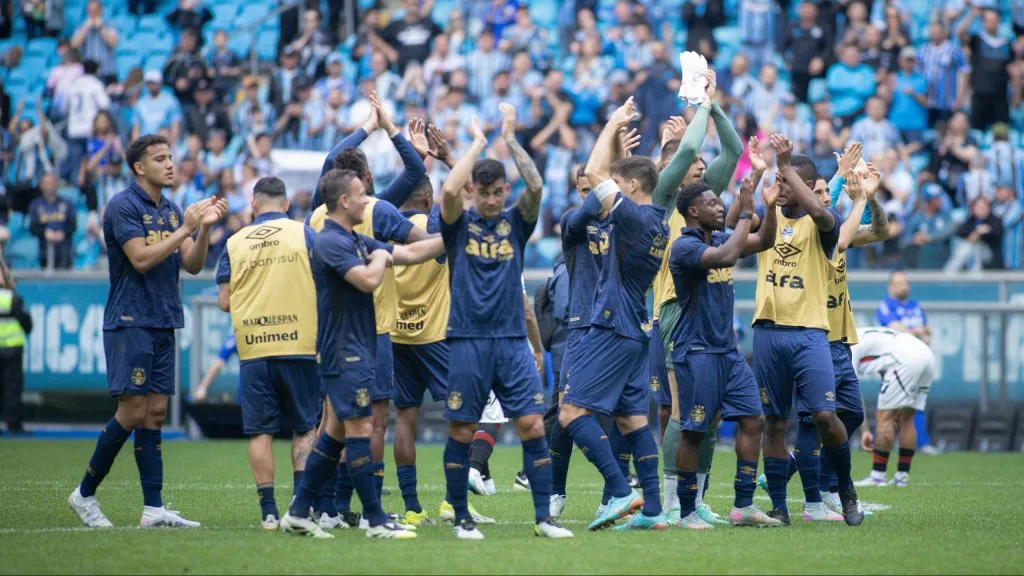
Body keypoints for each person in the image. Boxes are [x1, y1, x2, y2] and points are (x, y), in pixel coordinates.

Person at [68, 134, 227, 529]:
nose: (170, 164)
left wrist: (202, 229)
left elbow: (190, 263)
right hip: (130, 320)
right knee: (132, 411)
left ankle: (153, 509)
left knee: (154, 413)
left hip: (162, 318)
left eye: (171, 157)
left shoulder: (171, 210)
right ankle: (84, 494)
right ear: (140, 168)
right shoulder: (123, 205)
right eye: (160, 159)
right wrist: (184, 227)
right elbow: (139, 259)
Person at [278, 168, 445, 540]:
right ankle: (374, 517)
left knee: (335, 432)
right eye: (361, 195)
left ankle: (300, 511)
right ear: (343, 201)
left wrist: (450, 236)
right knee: (360, 429)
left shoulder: (355, 239)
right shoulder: (330, 242)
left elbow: (413, 251)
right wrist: (382, 258)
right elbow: (369, 279)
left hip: (356, 348)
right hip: (344, 351)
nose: (367, 200)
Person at [438, 104, 572, 540]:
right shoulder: (458, 226)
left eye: (500, 192)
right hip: (469, 341)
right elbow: (447, 192)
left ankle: (543, 519)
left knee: (532, 425)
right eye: (486, 192)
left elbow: (534, 185)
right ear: (475, 191)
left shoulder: (516, 223)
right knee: (462, 428)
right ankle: (461, 517)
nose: (494, 199)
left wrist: (511, 138)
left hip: (513, 341)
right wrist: (477, 144)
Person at [307, 95, 428, 530]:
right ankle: (358, 508)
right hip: (371, 329)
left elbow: (328, 161)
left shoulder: (322, 213)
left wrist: (368, 127)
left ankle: (324, 506)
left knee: (336, 420)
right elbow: (416, 172)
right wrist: (389, 129)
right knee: (369, 422)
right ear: (353, 189)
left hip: (331, 329)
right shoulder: (375, 207)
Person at [559, 97, 668, 532]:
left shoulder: (634, 217)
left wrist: (611, 123)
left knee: (570, 412)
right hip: (634, 327)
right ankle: (655, 511)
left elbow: (594, 174)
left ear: (631, 189)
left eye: (619, 186)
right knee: (633, 421)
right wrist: (624, 154)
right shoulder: (654, 220)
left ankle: (620, 491)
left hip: (609, 323)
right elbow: (613, 180)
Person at [751, 134, 862, 526]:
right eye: (779, 181)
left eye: (785, 183)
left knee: (825, 415)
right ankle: (779, 506)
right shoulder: (768, 214)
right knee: (776, 423)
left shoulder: (823, 224)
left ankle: (845, 487)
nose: (777, 188)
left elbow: (818, 209)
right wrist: (768, 171)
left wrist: (785, 167)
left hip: (810, 332)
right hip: (768, 331)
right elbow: (738, 221)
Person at [670, 171, 781, 529]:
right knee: (694, 431)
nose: (720, 207)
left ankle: (743, 505)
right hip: (697, 351)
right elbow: (728, 256)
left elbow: (765, 240)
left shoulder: (719, 236)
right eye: (712, 203)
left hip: (728, 353)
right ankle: (687, 510)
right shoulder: (685, 247)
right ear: (692, 212)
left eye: (721, 202)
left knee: (754, 419)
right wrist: (746, 209)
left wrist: (769, 204)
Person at [656, 71, 743, 526]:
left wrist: (715, 103)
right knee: (676, 409)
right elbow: (686, 150)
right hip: (673, 310)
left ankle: (695, 497)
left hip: (706, 310)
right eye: (692, 166)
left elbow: (734, 151)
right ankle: (672, 500)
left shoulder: (704, 200)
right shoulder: (664, 196)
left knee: (703, 414)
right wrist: (701, 103)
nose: (700, 167)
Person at [214, 176, 321, 530]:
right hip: (300, 344)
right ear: (287, 204)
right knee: (306, 428)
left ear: (254, 205)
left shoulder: (234, 242)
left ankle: (269, 512)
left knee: (260, 432)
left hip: (255, 349)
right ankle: (300, 506)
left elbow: (224, 301)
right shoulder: (304, 233)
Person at [795, 154, 890, 520]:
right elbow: (824, 213)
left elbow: (880, 232)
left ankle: (816, 480)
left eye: (826, 192)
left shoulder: (839, 230)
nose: (824, 198)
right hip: (813, 335)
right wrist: (843, 185)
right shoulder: (808, 230)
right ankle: (816, 498)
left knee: (849, 414)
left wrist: (871, 198)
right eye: (817, 192)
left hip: (838, 338)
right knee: (813, 420)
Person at [853, 326, 937, 487]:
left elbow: (853, 391)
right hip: (925, 354)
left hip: (905, 359)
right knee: (907, 418)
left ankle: (878, 476)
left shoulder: (844, 346)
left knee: (885, 417)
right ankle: (902, 476)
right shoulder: (860, 333)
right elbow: (883, 363)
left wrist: (864, 430)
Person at [874, 271, 939, 454]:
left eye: (906, 282)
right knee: (890, 405)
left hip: (918, 359)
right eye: (900, 283)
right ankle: (882, 442)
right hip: (896, 361)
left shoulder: (916, 306)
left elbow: (928, 333)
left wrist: (916, 332)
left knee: (916, 402)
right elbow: (896, 329)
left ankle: (920, 442)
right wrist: (917, 331)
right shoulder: (886, 306)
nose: (905, 286)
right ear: (891, 287)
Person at [0, 261, 32, 435]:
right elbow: (26, 321)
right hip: (12, 348)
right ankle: (14, 425)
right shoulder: (12, 298)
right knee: (12, 388)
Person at [28, 173, 77, 270]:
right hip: (44, 251)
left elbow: (73, 225)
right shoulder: (36, 205)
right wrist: (45, 233)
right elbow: (33, 227)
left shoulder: (67, 203)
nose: (49, 186)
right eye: (47, 183)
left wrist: (63, 233)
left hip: (64, 250)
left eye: (52, 183)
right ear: (41, 185)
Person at [191, 333, 236, 402]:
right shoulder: (236, 337)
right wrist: (203, 387)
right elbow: (218, 363)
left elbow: (218, 363)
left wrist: (203, 387)